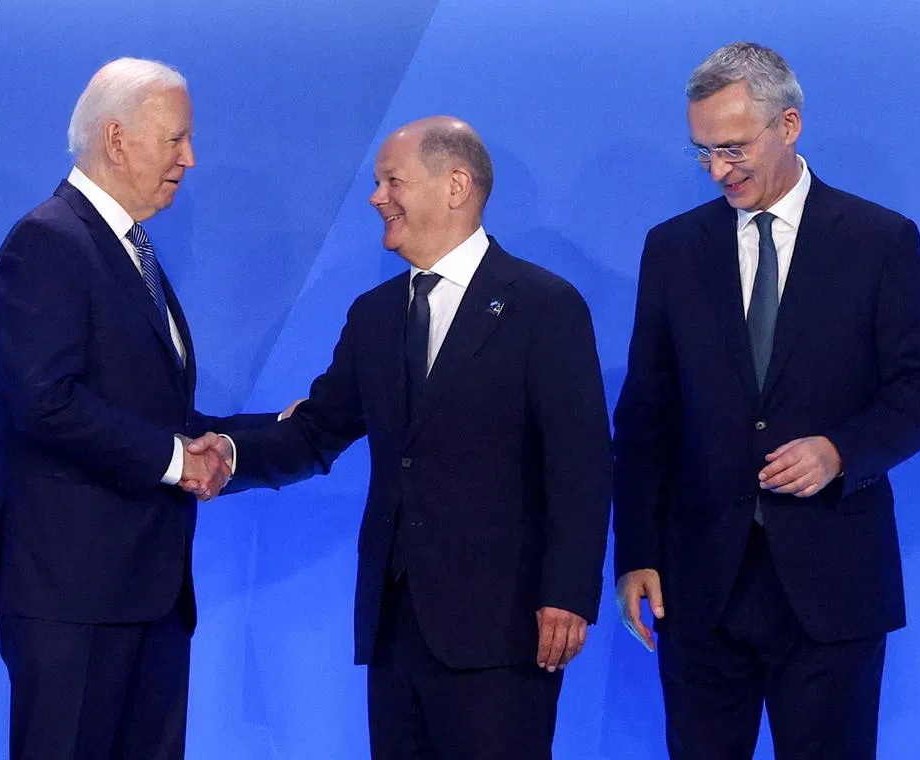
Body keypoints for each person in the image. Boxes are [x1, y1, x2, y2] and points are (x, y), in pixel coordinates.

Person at [192, 116, 612, 758]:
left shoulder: (542, 305)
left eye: (392, 180)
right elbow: (317, 430)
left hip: (503, 628)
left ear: (455, 185)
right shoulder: (376, 314)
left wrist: (568, 594)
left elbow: (580, 465)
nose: (376, 197)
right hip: (395, 625)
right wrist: (227, 451)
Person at [612, 42, 920, 759]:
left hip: (834, 585)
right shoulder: (673, 249)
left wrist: (840, 451)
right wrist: (636, 551)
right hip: (701, 584)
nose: (717, 170)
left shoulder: (878, 241)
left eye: (732, 148)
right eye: (702, 152)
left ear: (789, 125)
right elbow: (646, 413)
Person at [0, 57, 276, 759]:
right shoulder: (50, 241)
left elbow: (150, 408)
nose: (190, 159)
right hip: (74, 600)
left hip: (148, 594)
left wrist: (261, 438)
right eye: (176, 140)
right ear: (117, 140)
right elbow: (43, 402)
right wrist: (178, 461)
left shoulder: (125, 248)